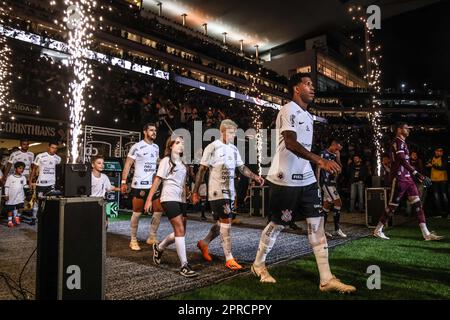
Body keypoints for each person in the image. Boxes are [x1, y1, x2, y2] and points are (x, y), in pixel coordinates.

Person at [251, 72, 356, 293]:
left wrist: (315, 166)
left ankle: (326, 279)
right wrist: (319, 159)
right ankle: (258, 264)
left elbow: (303, 150)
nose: (313, 88)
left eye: (313, 85)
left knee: (317, 224)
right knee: (278, 224)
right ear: (296, 88)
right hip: (284, 178)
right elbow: (290, 143)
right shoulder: (287, 109)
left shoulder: (309, 116)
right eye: (308, 84)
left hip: (306, 179)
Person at [191, 119, 264, 271]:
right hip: (217, 191)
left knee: (222, 223)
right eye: (230, 132)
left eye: (234, 133)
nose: (232, 135)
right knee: (227, 222)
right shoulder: (212, 147)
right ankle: (229, 258)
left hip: (230, 191)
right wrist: (195, 191)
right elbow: (202, 170)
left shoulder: (234, 149)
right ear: (221, 131)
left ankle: (204, 243)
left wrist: (255, 176)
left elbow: (242, 168)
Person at [373, 123, 443, 241]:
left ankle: (426, 234)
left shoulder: (403, 143)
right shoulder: (398, 141)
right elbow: (401, 160)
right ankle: (378, 230)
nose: (408, 130)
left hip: (408, 178)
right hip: (399, 178)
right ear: (399, 129)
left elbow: (406, 163)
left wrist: (414, 175)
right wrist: (418, 174)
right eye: (406, 128)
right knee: (393, 206)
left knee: (418, 204)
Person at [144, 136, 197, 278]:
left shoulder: (183, 163)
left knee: (181, 233)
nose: (181, 145)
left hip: (181, 200)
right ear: (171, 146)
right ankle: (184, 265)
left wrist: (189, 195)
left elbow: (183, 183)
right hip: (168, 198)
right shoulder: (166, 161)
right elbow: (157, 180)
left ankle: (159, 247)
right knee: (179, 229)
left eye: (182, 142)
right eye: (177, 142)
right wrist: (149, 200)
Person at [121, 123, 161, 251]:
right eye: (151, 130)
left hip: (153, 185)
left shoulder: (156, 147)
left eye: (155, 130)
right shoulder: (136, 147)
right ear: (145, 131)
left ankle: (152, 236)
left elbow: (156, 163)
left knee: (158, 210)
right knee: (137, 212)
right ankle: (133, 239)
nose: (154, 132)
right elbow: (127, 165)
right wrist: (123, 182)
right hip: (139, 184)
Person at [317, 138, 346, 238]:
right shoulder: (323, 153)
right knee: (338, 203)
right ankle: (337, 229)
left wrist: (338, 158)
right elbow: (318, 168)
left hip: (332, 182)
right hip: (325, 182)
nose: (338, 150)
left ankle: (321, 230)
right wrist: (317, 183)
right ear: (334, 145)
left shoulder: (335, 155)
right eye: (337, 148)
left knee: (326, 206)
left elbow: (340, 169)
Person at [29, 141, 61, 225]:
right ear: (48, 147)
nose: (54, 149)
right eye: (52, 147)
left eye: (55, 148)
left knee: (51, 201)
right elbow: (34, 169)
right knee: (38, 201)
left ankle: (47, 217)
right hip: (41, 183)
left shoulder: (58, 158)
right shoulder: (40, 156)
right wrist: (30, 181)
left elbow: (58, 172)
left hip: (52, 184)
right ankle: (33, 217)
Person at [91, 155, 120, 228]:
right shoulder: (88, 176)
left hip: (101, 203)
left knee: (105, 225)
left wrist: (120, 189)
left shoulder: (104, 177)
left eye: (103, 163)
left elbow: (109, 188)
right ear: (93, 165)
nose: (102, 165)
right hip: (90, 203)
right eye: (99, 163)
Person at [426, 148, 448, 218]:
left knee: (444, 196)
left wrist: (432, 165)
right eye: (438, 151)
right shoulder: (432, 158)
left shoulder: (443, 158)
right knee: (436, 196)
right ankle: (439, 213)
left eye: (441, 151)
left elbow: (443, 167)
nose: (440, 152)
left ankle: (447, 213)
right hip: (434, 180)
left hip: (442, 180)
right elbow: (428, 166)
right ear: (435, 151)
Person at [4, 162, 27, 228]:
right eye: (20, 168)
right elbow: (7, 186)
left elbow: (24, 186)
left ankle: (17, 217)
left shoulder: (23, 177)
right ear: (15, 169)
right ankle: (10, 221)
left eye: (23, 169)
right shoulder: (10, 177)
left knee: (20, 208)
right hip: (11, 196)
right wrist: (6, 194)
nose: (21, 170)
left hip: (20, 196)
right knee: (10, 209)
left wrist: (28, 188)